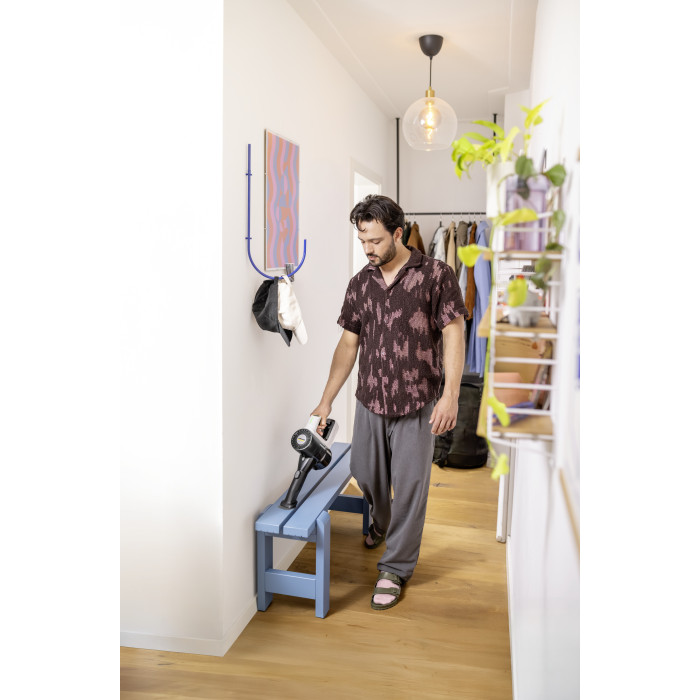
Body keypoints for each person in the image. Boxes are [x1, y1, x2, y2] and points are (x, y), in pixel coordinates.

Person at [310, 194, 465, 611]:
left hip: (418, 401)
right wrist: (325, 401)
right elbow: (348, 344)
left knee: (410, 487)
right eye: (363, 241)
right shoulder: (360, 283)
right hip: (370, 399)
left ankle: (395, 568)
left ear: (398, 233)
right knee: (364, 472)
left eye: (376, 241)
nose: (369, 249)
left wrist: (450, 395)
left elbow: (454, 333)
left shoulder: (436, 275)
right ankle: (382, 521)